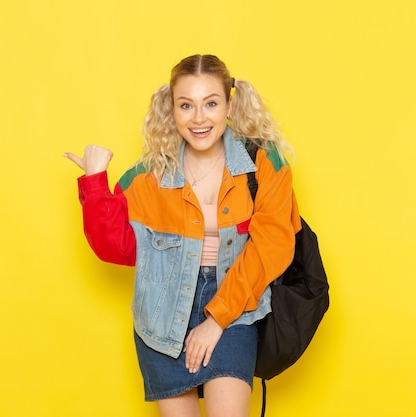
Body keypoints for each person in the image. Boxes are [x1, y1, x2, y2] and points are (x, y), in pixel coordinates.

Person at [64, 54, 301, 417]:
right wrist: (96, 181)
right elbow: (118, 248)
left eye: (211, 103)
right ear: (171, 109)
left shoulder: (264, 164)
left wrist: (217, 318)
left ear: (230, 105)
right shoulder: (148, 176)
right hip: (161, 312)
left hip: (235, 302)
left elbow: (272, 247)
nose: (199, 118)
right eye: (186, 105)